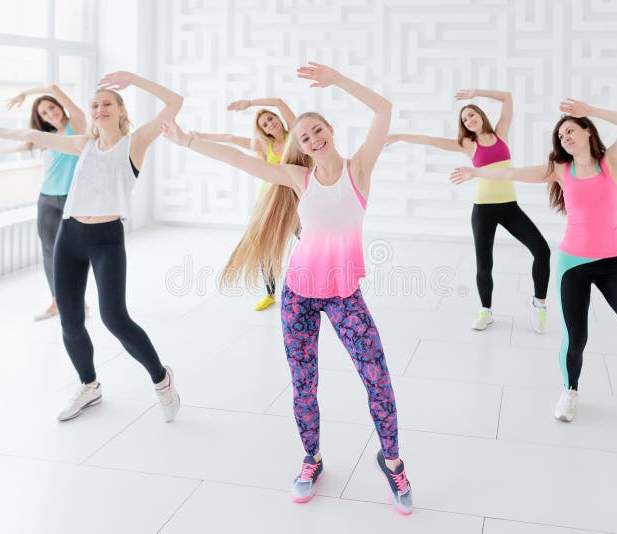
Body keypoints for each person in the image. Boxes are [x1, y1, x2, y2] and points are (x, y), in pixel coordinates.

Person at [161, 62, 414, 514]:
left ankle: (391, 460)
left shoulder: (360, 169)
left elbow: (384, 109)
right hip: (298, 294)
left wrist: (338, 81)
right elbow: (243, 160)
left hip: (343, 295)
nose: (314, 140)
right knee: (303, 383)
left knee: (376, 376)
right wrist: (189, 141)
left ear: (330, 130)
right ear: (298, 148)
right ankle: (311, 459)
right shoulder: (299, 179)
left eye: (318, 131)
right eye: (305, 138)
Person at [451, 99, 617, 433]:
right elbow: (511, 172)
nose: (564, 137)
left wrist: (590, 109)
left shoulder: (611, 162)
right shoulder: (560, 169)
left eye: (570, 130)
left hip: (613, 264)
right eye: (560, 135)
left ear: (586, 131)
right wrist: (476, 171)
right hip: (572, 265)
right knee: (575, 338)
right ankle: (570, 391)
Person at [0, 71, 183, 423]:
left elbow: (175, 103)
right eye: (94, 105)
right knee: (71, 318)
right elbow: (34, 135)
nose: (99, 109)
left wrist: (134, 80)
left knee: (114, 318)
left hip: (107, 240)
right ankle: (89, 385)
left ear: (121, 110)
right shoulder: (84, 144)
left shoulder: (134, 144)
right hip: (70, 237)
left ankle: (161, 378)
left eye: (107, 103)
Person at [388, 89, 550, 333]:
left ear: (480, 115)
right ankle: (486, 311)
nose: (469, 120)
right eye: (464, 119)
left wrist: (476, 92)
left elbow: (507, 98)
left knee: (542, 250)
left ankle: (539, 305)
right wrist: (400, 136)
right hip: (483, 211)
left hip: (510, 208)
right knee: (484, 265)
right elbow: (431, 141)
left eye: (471, 114)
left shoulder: (501, 133)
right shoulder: (467, 145)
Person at [0, 85, 87, 321]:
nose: (50, 113)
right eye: (44, 113)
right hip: (47, 198)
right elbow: (24, 144)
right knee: (49, 251)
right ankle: (57, 300)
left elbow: (52, 88)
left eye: (52, 107)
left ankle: (77, 299)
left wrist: (26, 93)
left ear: (60, 106)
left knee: (76, 253)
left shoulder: (78, 124)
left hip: (75, 199)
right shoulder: (47, 136)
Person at [192, 97, 296, 311]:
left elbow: (278, 100)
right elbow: (229, 138)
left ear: (278, 117)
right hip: (269, 199)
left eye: (270, 118)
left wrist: (249, 103)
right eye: (265, 124)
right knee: (264, 245)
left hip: (295, 199)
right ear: (264, 131)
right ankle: (270, 292)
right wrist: (199, 137)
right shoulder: (264, 145)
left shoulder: (294, 135)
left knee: (311, 239)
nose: (270, 124)